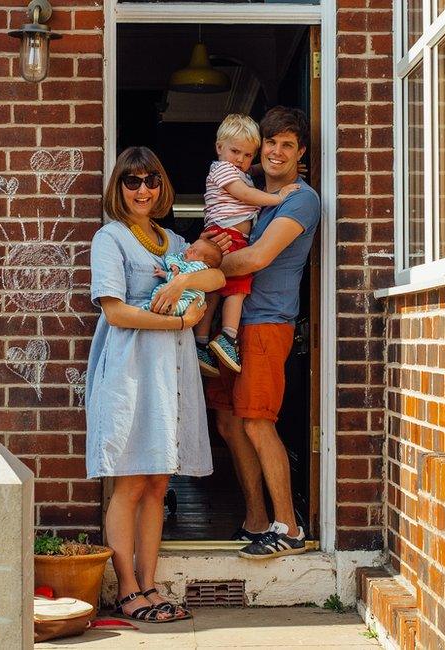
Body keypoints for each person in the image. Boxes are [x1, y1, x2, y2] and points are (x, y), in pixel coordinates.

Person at [86, 146, 225, 621]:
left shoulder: (173, 241)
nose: (142, 189)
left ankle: (151, 584)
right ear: (118, 188)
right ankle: (128, 589)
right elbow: (116, 310)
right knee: (130, 481)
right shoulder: (111, 239)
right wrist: (179, 320)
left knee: (158, 481)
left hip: (171, 374)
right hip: (130, 370)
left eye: (150, 180)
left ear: (162, 186)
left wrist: (178, 286)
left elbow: (215, 274)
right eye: (131, 181)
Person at [204, 106, 320, 560]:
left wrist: (206, 266)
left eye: (287, 144)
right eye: (270, 143)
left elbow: (253, 260)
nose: (276, 151)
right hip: (231, 327)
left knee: (256, 419)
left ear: (300, 152)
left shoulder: (300, 199)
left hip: (266, 323)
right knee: (230, 421)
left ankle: (288, 527)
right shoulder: (247, 191)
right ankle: (256, 519)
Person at [194, 114, 300, 377]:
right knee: (238, 289)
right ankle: (228, 338)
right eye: (235, 152)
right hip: (228, 236)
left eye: (247, 155)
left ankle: (201, 341)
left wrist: (266, 169)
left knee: (216, 290)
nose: (240, 160)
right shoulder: (224, 171)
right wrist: (278, 197)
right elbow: (244, 193)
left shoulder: (233, 169)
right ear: (219, 148)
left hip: (223, 234)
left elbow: (244, 175)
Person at [141, 238, 224, 316]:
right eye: (191, 246)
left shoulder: (199, 267)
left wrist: (165, 274)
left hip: (190, 296)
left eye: (194, 251)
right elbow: (172, 256)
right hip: (173, 294)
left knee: (183, 306)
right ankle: (154, 307)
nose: (189, 250)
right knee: (160, 293)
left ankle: (158, 309)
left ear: (204, 262)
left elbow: (179, 278)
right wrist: (174, 265)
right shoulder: (184, 258)